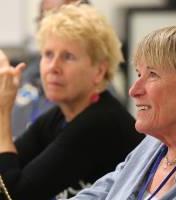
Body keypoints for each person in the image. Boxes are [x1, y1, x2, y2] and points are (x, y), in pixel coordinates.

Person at [0, 4, 144, 200]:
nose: (53, 67)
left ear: (99, 71)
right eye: (48, 55)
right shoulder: (60, 116)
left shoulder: (101, 122)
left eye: (68, 57)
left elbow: (13, 195)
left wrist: (2, 112)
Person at [57, 25, 176, 200]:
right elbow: (98, 193)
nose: (134, 90)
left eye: (153, 74)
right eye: (139, 74)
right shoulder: (151, 146)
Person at [12, 0, 90, 138]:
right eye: (44, 17)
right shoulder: (27, 72)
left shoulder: (94, 92)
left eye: (57, 16)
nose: (47, 25)